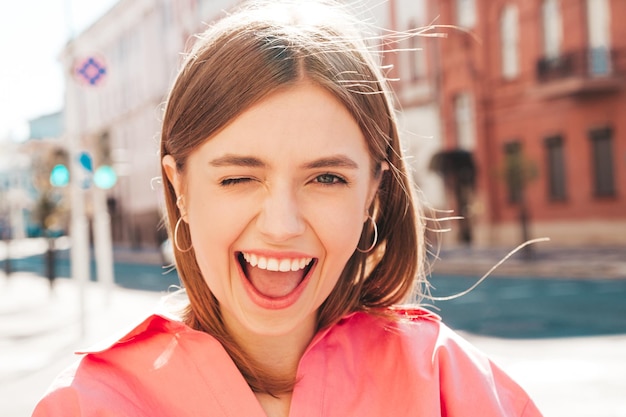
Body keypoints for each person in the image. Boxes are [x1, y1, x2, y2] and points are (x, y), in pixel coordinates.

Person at [33, 0, 543, 416]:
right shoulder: (91, 405)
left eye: (326, 178)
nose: (281, 225)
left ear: (372, 194)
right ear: (179, 187)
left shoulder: (450, 387)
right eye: (238, 178)